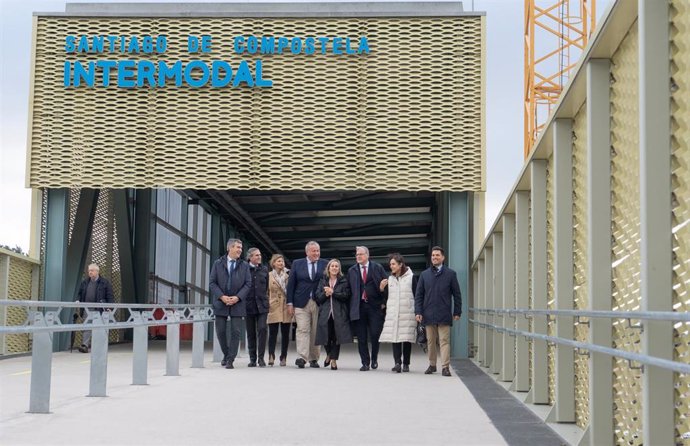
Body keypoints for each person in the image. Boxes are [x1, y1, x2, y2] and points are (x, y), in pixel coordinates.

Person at [414, 246, 462, 377]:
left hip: (444, 313)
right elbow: (419, 295)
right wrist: (418, 311)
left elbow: (457, 294)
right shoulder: (424, 275)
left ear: (443, 257)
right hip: (428, 313)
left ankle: (445, 367)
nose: (434, 257)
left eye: (437, 255)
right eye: (433, 255)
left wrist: (457, 311)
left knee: (444, 341)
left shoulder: (450, 274)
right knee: (430, 341)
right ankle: (432, 365)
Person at [210, 238, 251, 369]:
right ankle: (227, 354)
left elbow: (248, 284)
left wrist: (238, 297)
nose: (240, 250)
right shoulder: (217, 263)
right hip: (221, 302)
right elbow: (212, 283)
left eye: (241, 247)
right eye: (237, 247)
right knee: (220, 331)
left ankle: (230, 360)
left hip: (237, 303)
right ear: (229, 248)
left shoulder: (244, 265)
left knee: (236, 331)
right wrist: (222, 296)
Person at [286, 241, 328, 368]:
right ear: (307, 252)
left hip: (318, 302)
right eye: (314, 251)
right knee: (302, 329)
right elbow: (291, 284)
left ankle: (313, 358)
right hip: (300, 302)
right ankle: (302, 357)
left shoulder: (325, 264)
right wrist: (289, 303)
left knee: (316, 331)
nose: (316, 253)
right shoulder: (297, 264)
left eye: (318, 251)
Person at [347, 246, 387, 371]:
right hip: (358, 307)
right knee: (361, 337)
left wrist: (383, 299)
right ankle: (365, 362)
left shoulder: (377, 268)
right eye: (357, 254)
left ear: (367, 255)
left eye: (361, 254)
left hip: (374, 306)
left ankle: (374, 358)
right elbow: (348, 290)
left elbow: (387, 287)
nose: (358, 256)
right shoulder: (351, 270)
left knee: (375, 334)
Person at [378, 253, 417, 373]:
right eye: (390, 264)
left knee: (406, 339)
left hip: (408, 313)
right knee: (395, 338)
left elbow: (417, 295)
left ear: (400, 264)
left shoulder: (411, 278)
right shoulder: (390, 279)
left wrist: (417, 312)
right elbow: (387, 297)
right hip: (393, 313)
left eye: (393, 264)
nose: (391, 266)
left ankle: (406, 363)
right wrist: (381, 289)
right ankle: (397, 363)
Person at [314, 259, 353, 370]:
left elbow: (346, 295)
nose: (334, 268)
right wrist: (326, 294)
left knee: (336, 337)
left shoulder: (344, 281)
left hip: (339, 313)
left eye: (337, 266)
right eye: (332, 266)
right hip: (326, 313)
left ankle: (333, 361)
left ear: (339, 269)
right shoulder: (323, 281)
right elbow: (318, 298)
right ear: (328, 268)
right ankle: (329, 354)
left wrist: (333, 293)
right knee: (326, 335)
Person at [75, 263, 114, 353]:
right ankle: (85, 345)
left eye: (92, 270)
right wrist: (78, 300)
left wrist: (110, 307)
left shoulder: (105, 282)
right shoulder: (85, 282)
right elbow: (80, 293)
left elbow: (110, 296)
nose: (90, 272)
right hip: (87, 309)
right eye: (89, 271)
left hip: (99, 309)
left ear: (97, 271)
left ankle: (99, 346)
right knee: (87, 327)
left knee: (99, 328)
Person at [245, 247, 269, 367]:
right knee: (250, 333)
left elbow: (266, 288)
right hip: (249, 305)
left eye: (259, 255)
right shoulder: (244, 269)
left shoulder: (264, 270)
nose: (259, 257)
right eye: (256, 255)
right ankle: (252, 358)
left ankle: (261, 358)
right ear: (250, 257)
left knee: (262, 329)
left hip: (262, 305)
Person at [267, 254, 292, 366]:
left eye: (282, 261)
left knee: (285, 333)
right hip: (274, 306)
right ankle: (271, 355)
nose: (281, 263)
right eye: (278, 261)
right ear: (273, 263)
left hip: (285, 305)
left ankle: (283, 357)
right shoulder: (269, 276)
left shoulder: (288, 275)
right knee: (273, 333)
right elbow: (266, 291)